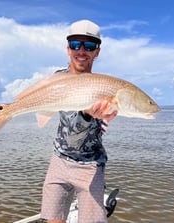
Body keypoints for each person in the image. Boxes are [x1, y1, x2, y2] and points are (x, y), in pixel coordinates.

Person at [40, 19, 118, 223]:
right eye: (76, 44)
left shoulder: (102, 87)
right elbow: (68, 128)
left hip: (90, 165)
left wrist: (101, 116)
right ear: (68, 49)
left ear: (97, 51)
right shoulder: (58, 79)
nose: (81, 50)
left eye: (89, 45)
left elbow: (86, 132)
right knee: (53, 220)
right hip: (59, 157)